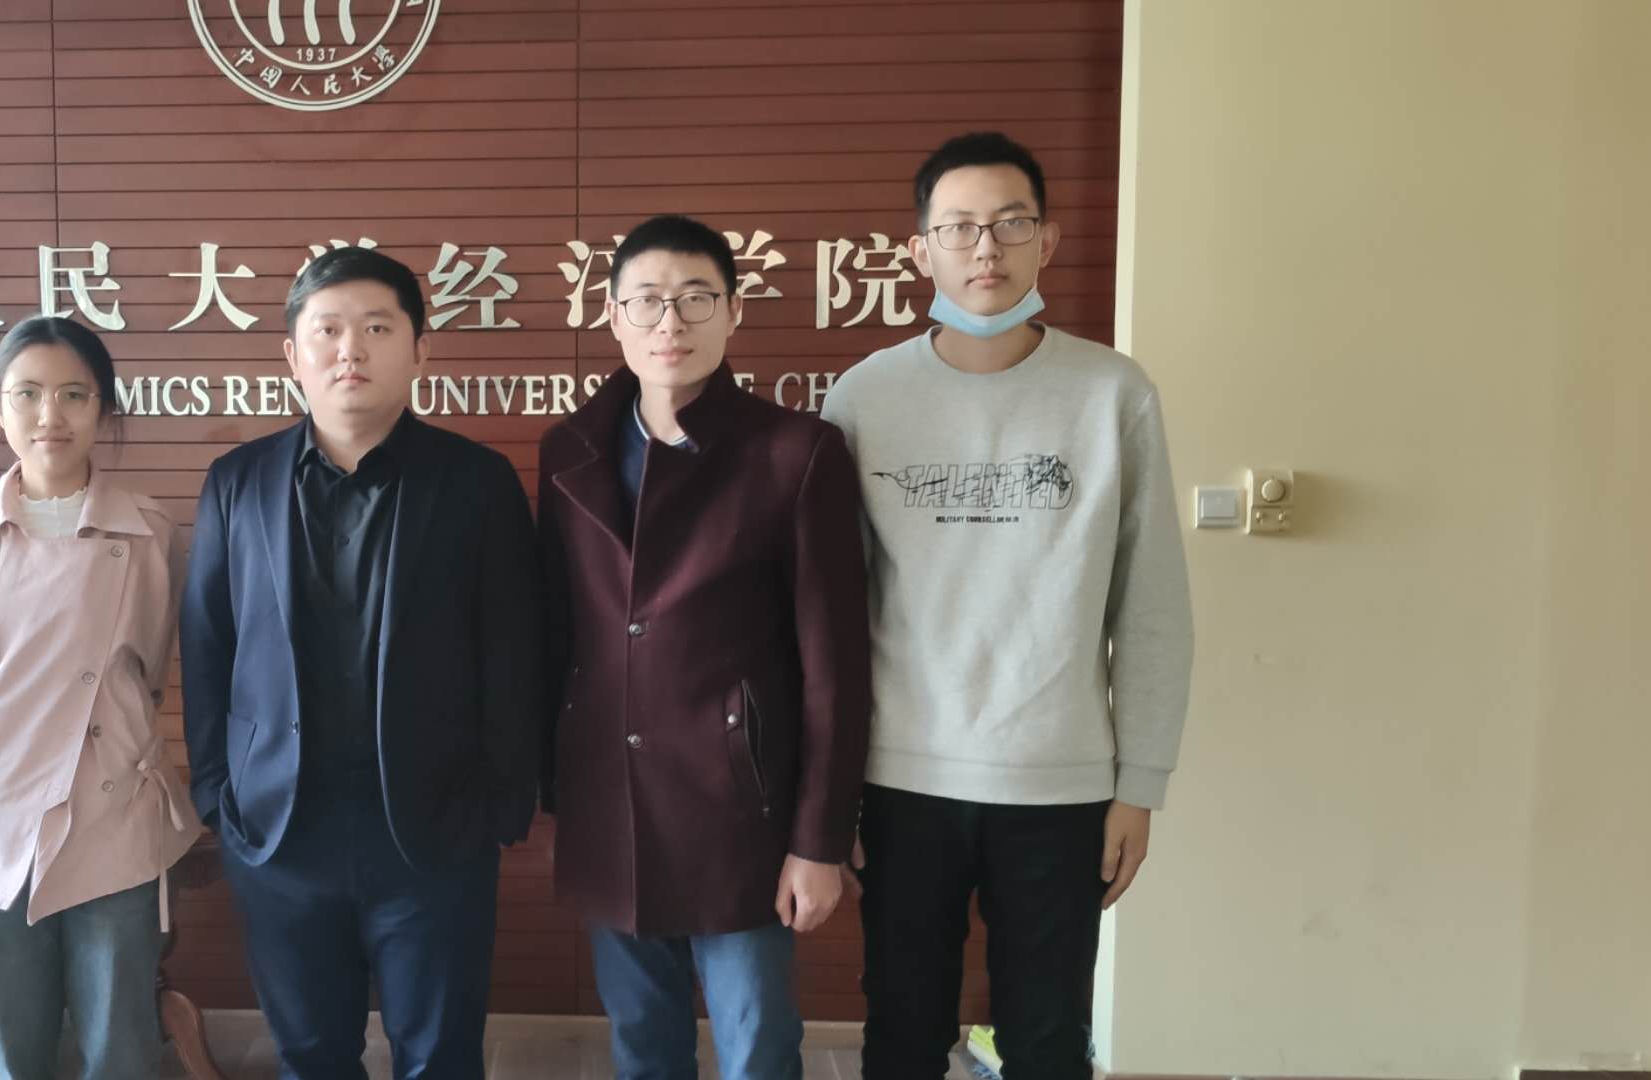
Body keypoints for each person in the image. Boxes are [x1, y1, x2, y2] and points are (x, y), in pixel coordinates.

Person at [819, 131, 1195, 1080]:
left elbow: (1151, 605)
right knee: (902, 1036)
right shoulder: (864, 397)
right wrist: (831, 791)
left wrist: (1140, 785)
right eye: (959, 227)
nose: (984, 248)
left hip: (1061, 785)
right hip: (901, 780)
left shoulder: (1112, 393)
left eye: (1010, 223)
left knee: (1048, 1043)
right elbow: (829, 616)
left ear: (1047, 240)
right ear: (920, 251)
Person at [180, 246, 544, 1080]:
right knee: (311, 1057)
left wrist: (501, 802)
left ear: (420, 350)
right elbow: (207, 643)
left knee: (440, 1058)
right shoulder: (237, 482)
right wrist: (215, 790)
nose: (352, 349)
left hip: (434, 830)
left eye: (378, 328)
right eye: (329, 330)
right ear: (293, 355)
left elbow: (515, 650)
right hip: (280, 831)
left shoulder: (478, 482)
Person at [537, 214, 871, 1080]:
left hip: (741, 807)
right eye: (647, 301)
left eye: (695, 299)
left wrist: (820, 838)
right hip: (610, 800)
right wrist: (549, 783)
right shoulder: (570, 450)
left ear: (733, 312)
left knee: (758, 1048)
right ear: (613, 316)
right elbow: (556, 629)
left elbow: (835, 668)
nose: (670, 323)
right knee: (642, 1046)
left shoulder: (795, 452)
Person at [0, 315, 199, 1079]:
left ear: (104, 408)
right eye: (29, 394)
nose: (52, 415)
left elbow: (150, 671)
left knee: (120, 1047)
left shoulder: (147, 529)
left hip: (110, 811)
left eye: (75, 394)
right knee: (8, 1050)